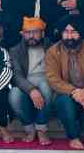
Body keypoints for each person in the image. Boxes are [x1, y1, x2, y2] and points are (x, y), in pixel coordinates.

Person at [46, 15, 84, 149]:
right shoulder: (52, 51)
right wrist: (75, 92)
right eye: (66, 32)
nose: (69, 36)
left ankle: (77, 119)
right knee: (64, 101)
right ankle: (73, 135)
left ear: (80, 33)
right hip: (66, 94)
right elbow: (53, 79)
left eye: (74, 32)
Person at [8, 17, 53, 145]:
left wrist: (39, 88)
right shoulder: (15, 50)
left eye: (35, 32)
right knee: (14, 95)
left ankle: (41, 129)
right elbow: (16, 76)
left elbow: (55, 74)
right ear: (23, 34)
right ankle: (29, 129)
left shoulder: (52, 47)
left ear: (42, 33)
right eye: (28, 32)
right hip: (25, 85)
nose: (31, 36)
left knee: (45, 86)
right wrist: (31, 90)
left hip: (47, 84)